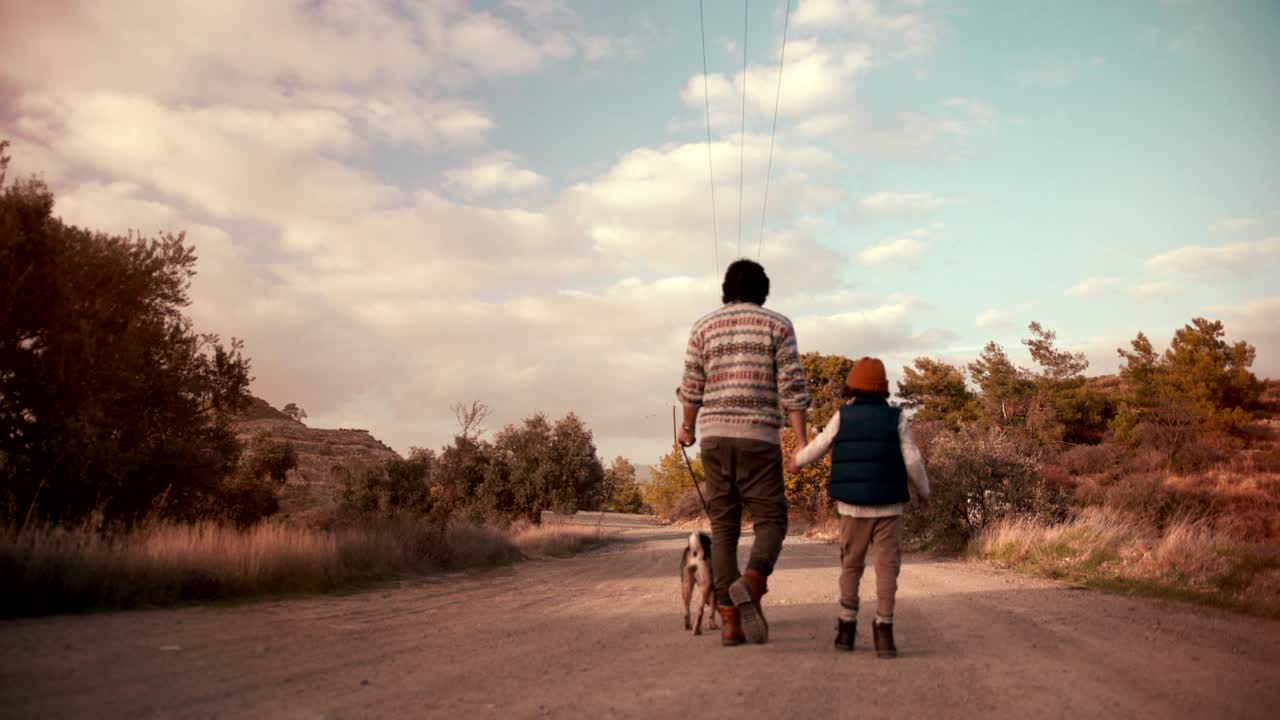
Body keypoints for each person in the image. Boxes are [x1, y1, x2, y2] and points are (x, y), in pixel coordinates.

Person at [676, 259, 810, 646]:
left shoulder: (703, 327)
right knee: (771, 518)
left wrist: (687, 429)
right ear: (763, 291)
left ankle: (730, 622)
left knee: (723, 528)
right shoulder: (778, 325)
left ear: (726, 289)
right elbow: (793, 389)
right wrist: (800, 444)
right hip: (759, 438)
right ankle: (752, 581)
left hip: (715, 438)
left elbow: (692, 387)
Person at [790, 357, 930, 658]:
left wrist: (797, 461)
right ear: (883, 388)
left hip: (852, 509)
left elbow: (819, 445)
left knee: (851, 566)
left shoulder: (843, 416)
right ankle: (884, 633)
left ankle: (846, 628)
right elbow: (913, 461)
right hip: (889, 509)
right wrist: (924, 491)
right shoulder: (897, 418)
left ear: (851, 386)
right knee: (886, 569)